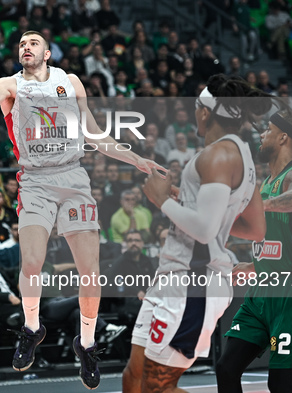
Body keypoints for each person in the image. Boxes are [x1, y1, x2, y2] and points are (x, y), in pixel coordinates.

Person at [0, 30, 164, 389]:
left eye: (33, 43)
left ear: (47, 53)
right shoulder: (9, 85)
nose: (25, 47)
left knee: (90, 271)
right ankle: (32, 329)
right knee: (31, 263)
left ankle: (88, 344)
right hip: (34, 181)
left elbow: (93, 133)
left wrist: (136, 158)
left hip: (74, 178)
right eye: (21, 44)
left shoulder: (70, 81)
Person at [122, 75, 270, 393]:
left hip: (193, 283)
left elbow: (204, 230)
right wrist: (185, 202)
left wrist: (160, 200)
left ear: (205, 111)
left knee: (157, 387)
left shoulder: (219, 155)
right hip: (175, 276)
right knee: (133, 379)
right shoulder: (241, 154)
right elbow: (254, 228)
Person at [216, 108, 292, 392]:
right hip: (262, 292)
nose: (261, 134)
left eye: (268, 130)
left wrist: (265, 206)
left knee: (281, 386)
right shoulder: (264, 187)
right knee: (226, 368)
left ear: (283, 137)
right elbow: (267, 241)